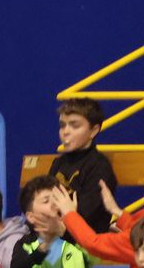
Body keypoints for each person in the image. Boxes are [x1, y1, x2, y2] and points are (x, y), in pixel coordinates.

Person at [50, 97, 118, 233]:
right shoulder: (59, 163)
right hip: (56, 234)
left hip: (84, 242)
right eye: (62, 125)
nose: (65, 132)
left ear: (94, 130)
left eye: (75, 126)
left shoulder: (99, 167)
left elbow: (86, 214)